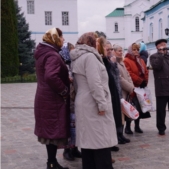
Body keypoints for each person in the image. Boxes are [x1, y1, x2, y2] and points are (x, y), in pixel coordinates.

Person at [70, 32, 117, 169]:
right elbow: (95, 83)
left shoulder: (79, 57)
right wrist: (102, 104)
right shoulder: (90, 57)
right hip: (93, 103)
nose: (98, 44)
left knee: (88, 143)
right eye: (96, 41)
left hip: (84, 101)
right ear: (89, 42)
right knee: (100, 140)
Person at [34, 27, 70, 169]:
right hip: (52, 99)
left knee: (50, 131)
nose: (63, 40)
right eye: (61, 37)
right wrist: (64, 90)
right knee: (53, 130)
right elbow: (50, 76)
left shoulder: (43, 53)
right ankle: (52, 163)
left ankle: (52, 162)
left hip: (44, 97)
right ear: (55, 38)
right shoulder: (52, 55)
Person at [59, 42, 82, 161]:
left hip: (75, 97)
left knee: (76, 125)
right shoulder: (63, 64)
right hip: (67, 99)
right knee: (69, 125)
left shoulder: (74, 63)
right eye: (71, 50)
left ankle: (75, 148)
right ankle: (67, 150)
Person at [123, 43, 151, 134]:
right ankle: (128, 127)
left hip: (141, 88)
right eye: (134, 49)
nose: (136, 51)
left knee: (140, 107)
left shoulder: (140, 60)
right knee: (132, 107)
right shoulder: (126, 60)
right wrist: (139, 80)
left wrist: (145, 81)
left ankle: (137, 126)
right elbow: (129, 73)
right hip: (133, 87)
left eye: (137, 50)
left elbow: (146, 71)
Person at [103, 41, 126, 145]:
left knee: (118, 115)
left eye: (111, 49)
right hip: (109, 92)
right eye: (108, 49)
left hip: (116, 90)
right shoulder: (105, 61)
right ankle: (114, 138)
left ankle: (119, 135)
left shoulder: (111, 60)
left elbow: (117, 76)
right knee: (112, 116)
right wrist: (112, 64)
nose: (110, 51)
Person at [114, 44, 134, 141]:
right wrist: (130, 87)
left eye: (121, 50)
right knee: (120, 114)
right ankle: (118, 135)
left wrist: (131, 86)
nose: (121, 52)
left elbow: (127, 75)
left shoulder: (122, 62)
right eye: (119, 51)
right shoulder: (114, 63)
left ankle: (121, 134)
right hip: (121, 91)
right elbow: (119, 79)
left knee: (125, 113)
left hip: (126, 91)